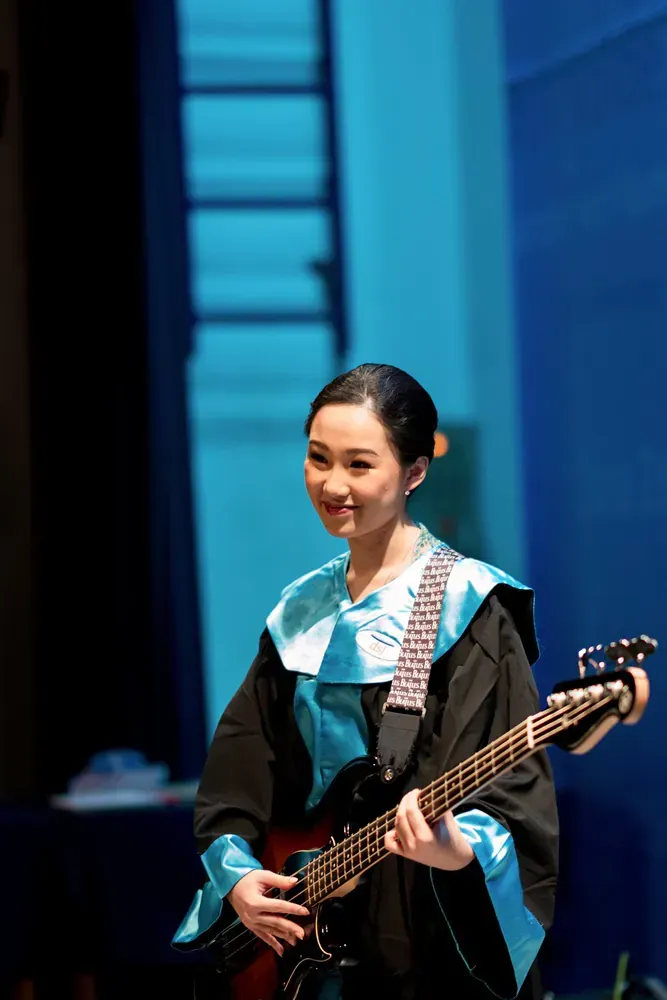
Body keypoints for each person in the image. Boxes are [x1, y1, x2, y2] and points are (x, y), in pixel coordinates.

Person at [173, 364, 559, 999]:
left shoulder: (468, 607)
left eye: (359, 465)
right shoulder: (299, 613)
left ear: (414, 472)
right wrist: (237, 877)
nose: (332, 484)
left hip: (431, 940)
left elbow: (515, 794)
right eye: (318, 458)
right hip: (312, 946)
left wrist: (457, 849)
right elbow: (237, 776)